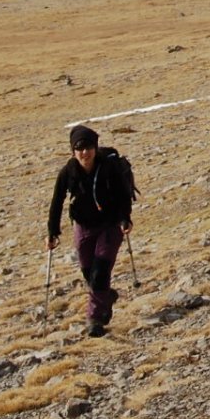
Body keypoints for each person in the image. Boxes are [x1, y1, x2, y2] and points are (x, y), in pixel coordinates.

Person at [47, 125, 134, 337]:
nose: (84, 152)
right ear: (73, 151)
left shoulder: (109, 167)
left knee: (100, 270)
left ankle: (94, 319)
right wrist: (52, 232)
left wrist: (125, 218)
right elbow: (57, 201)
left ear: (95, 148)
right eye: (79, 148)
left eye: (88, 147)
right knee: (89, 273)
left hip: (110, 225)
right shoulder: (68, 172)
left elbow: (123, 195)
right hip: (83, 226)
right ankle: (107, 296)